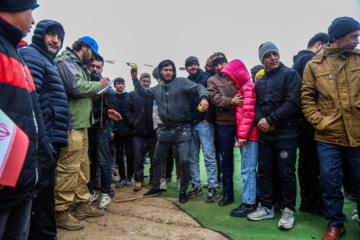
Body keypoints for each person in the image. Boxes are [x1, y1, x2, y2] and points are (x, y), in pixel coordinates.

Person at [302, 17, 360, 240]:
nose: (357, 40)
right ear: (338, 37)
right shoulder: (314, 65)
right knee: (329, 182)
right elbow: (307, 98)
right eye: (353, 36)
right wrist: (320, 121)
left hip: (358, 133)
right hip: (328, 136)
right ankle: (336, 223)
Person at [0, 1, 53, 239]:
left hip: (23, 180)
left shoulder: (14, 53)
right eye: (30, 12)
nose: (32, 21)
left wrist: (44, 156)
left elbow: (30, 115)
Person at [131, 60, 209, 204]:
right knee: (156, 159)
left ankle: (183, 191)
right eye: (165, 70)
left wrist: (204, 99)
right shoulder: (157, 88)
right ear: (160, 72)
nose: (168, 72)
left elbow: (199, 88)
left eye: (170, 70)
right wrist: (135, 78)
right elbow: (143, 92)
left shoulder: (181, 82)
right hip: (166, 128)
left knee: (184, 160)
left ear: (174, 71)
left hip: (183, 128)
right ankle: (156, 187)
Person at [54, 36, 111, 230]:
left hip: (82, 123)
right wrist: (100, 84)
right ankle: (61, 212)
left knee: (82, 166)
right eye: (92, 54)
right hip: (70, 123)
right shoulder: (66, 61)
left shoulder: (78, 64)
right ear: (85, 47)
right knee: (69, 168)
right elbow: (76, 88)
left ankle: (82, 204)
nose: (93, 59)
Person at [20, 19, 68, 240]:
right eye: (51, 35)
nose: (55, 40)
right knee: (41, 197)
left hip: (48, 138)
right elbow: (31, 100)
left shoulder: (47, 61)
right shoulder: (33, 55)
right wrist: (42, 141)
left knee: (44, 194)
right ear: (40, 34)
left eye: (59, 37)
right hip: (42, 140)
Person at [247, 42, 301, 230]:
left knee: (286, 174)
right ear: (262, 60)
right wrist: (262, 119)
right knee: (265, 172)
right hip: (266, 136)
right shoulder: (260, 81)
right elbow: (258, 106)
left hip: (287, 134)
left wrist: (271, 119)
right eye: (268, 55)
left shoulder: (290, 75)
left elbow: (293, 102)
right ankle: (267, 207)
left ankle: (288, 209)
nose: (273, 57)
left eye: (274, 54)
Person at [292, 32, 329, 216]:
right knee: (314, 162)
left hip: (299, 120)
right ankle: (316, 203)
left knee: (305, 161)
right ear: (319, 45)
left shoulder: (296, 62)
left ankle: (307, 200)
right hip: (311, 119)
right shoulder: (311, 62)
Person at [220, 59, 259, 217]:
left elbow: (249, 113)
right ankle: (254, 198)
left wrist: (242, 136)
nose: (229, 82)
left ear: (238, 75)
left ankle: (249, 203)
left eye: (230, 78)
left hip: (250, 137)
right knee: (249, 170)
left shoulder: (248, 88)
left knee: (247, 170)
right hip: (249, 136)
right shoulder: (245, 88)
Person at [207, 52, 243, 206]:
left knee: (248, 160)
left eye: (222, 62)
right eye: (217, 64)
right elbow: (214, 99)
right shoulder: (212, 80)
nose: (220, 66)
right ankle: (228, 194)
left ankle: (254, 194)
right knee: (226, 160)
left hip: (242, 122)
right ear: (214, 66)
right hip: (224, 124)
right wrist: (231, 101)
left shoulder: (238, 76)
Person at [184, 56, 218, 203]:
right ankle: (196, 186)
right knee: (193, 158)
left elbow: (213, 99)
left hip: (204, 123)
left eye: (195, 64)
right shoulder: (185, 81)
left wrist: (207, 118)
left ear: (198, 65)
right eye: (190, 65)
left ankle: (213, 188)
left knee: (209, 156)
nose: (193, 67)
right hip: (191, 124)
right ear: (186, 68)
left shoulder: (207, 78)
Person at [87, 58, 119, 209]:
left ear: (102, 70)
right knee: (88, 162)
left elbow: (111, 113)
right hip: (87, 128)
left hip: (102, 128)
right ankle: (90, 192)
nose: (94, 69)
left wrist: (110, 128)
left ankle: (106, 193)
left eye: (98, 67)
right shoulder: (84, 85)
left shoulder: (109, 90)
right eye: (92, 66)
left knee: (104, 161)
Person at [124, 73, 157, 191]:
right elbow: (126, 111)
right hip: (137, 132)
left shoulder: (153, 94)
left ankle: (153, 178)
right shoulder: (132, 95)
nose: (146, 83)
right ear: (140, 81)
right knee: (138, 157)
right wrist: (133, 123)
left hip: (152, 132)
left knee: (154, 157)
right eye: (144, 81)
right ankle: (138, 180)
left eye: (148, 81)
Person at [152, 67, 178, 190]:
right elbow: (155, 111)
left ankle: (180, 180)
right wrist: (157, 127)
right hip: (162, 127)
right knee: (162, 155)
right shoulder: (156, 91)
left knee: (177, 154)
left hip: (176, 126)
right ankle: (161, 179)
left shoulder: (176, 89)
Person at [113, 77, 135, 188]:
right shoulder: (112, 98)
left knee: (130, 154)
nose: (120, 85)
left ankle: (130, 176)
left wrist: (132, 125)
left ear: (124, 85)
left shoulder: (128, 97)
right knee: (119, 155)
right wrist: (112, 129)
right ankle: (122, 177)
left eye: (122, 83)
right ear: (114, 85)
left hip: (128, 131)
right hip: (116, 131)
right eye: (118, 84)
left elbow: (131, 112)